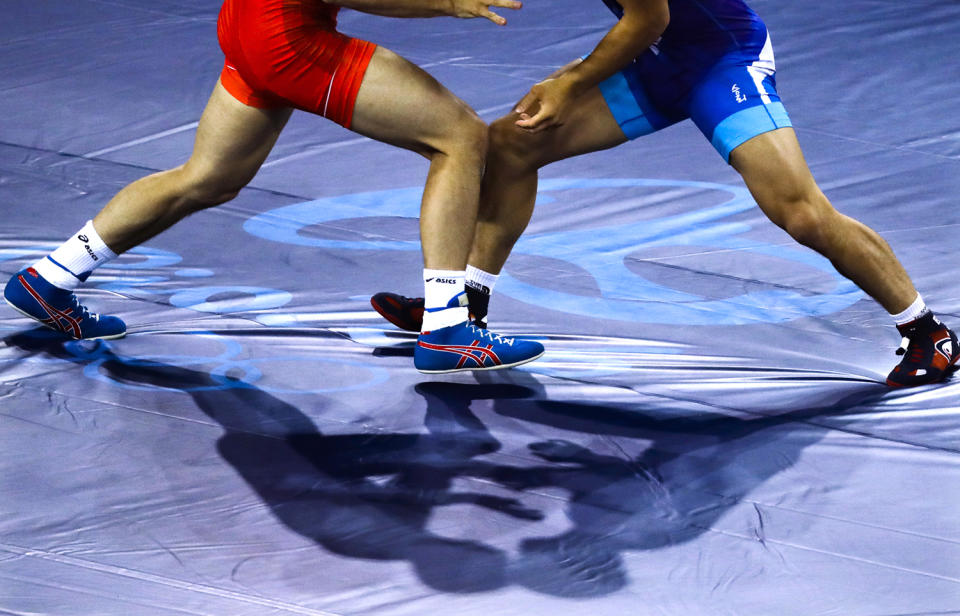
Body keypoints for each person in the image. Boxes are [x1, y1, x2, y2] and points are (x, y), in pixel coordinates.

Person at [370, 0, 959, 387]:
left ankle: (928, 333)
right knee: (516, 142)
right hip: (660, 59)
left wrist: (575, 77)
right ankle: (465, 306)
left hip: (721, 60)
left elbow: (647, 15)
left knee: (800, 214)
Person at [3, 0, 544, 374]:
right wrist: (449, 3)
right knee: (459, 137)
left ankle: (50, 277)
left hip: (250, 23)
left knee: (208, 179)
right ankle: (449, 327)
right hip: (288, 36)